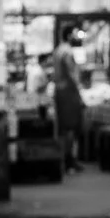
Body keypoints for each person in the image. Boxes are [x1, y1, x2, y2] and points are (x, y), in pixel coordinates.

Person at [47, 46, 86, 174]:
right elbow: (71, 73)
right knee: (70, 128)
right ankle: (68, 161)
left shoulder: (58, 51)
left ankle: (66, 159)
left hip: (62, 93)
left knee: (64, 129)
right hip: (68, 94)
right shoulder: (66, 52)